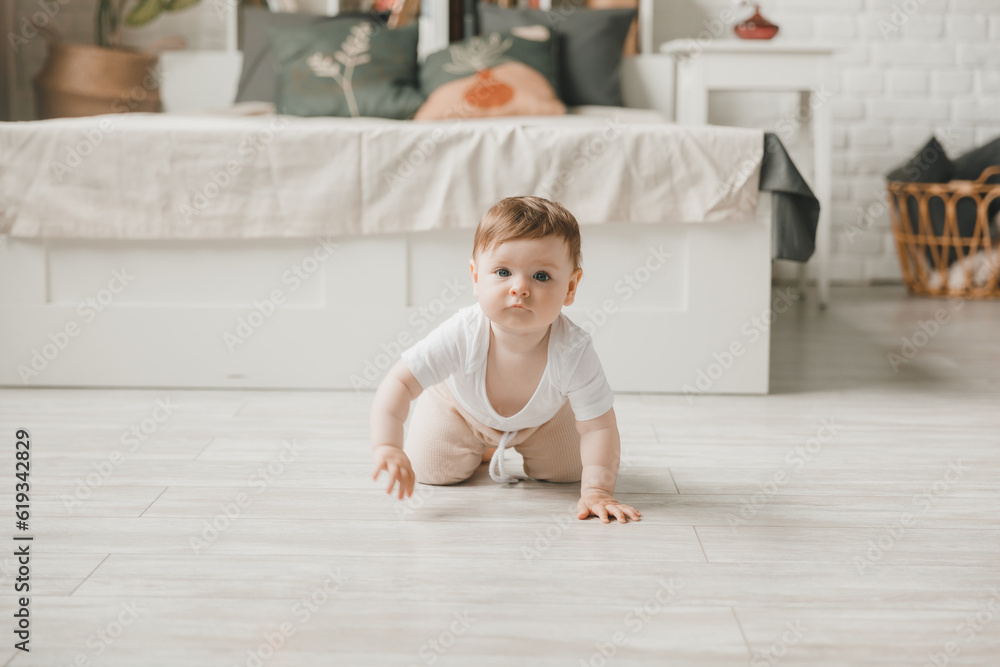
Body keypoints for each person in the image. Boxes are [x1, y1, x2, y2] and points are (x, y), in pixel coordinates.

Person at [369, 196, 641, 524]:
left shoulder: (573, 349)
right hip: (459, 409)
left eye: (541, 276)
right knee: (433, 471)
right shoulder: (463, 333)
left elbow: (599, 426)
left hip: (544, 419)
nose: (520, 288)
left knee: (570, 473)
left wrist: (597, 491)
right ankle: (476, 446)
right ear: (475, 277)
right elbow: (400, 381)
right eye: (502, 272)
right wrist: (388, 446)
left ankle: (524, 448)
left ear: (570, 287)